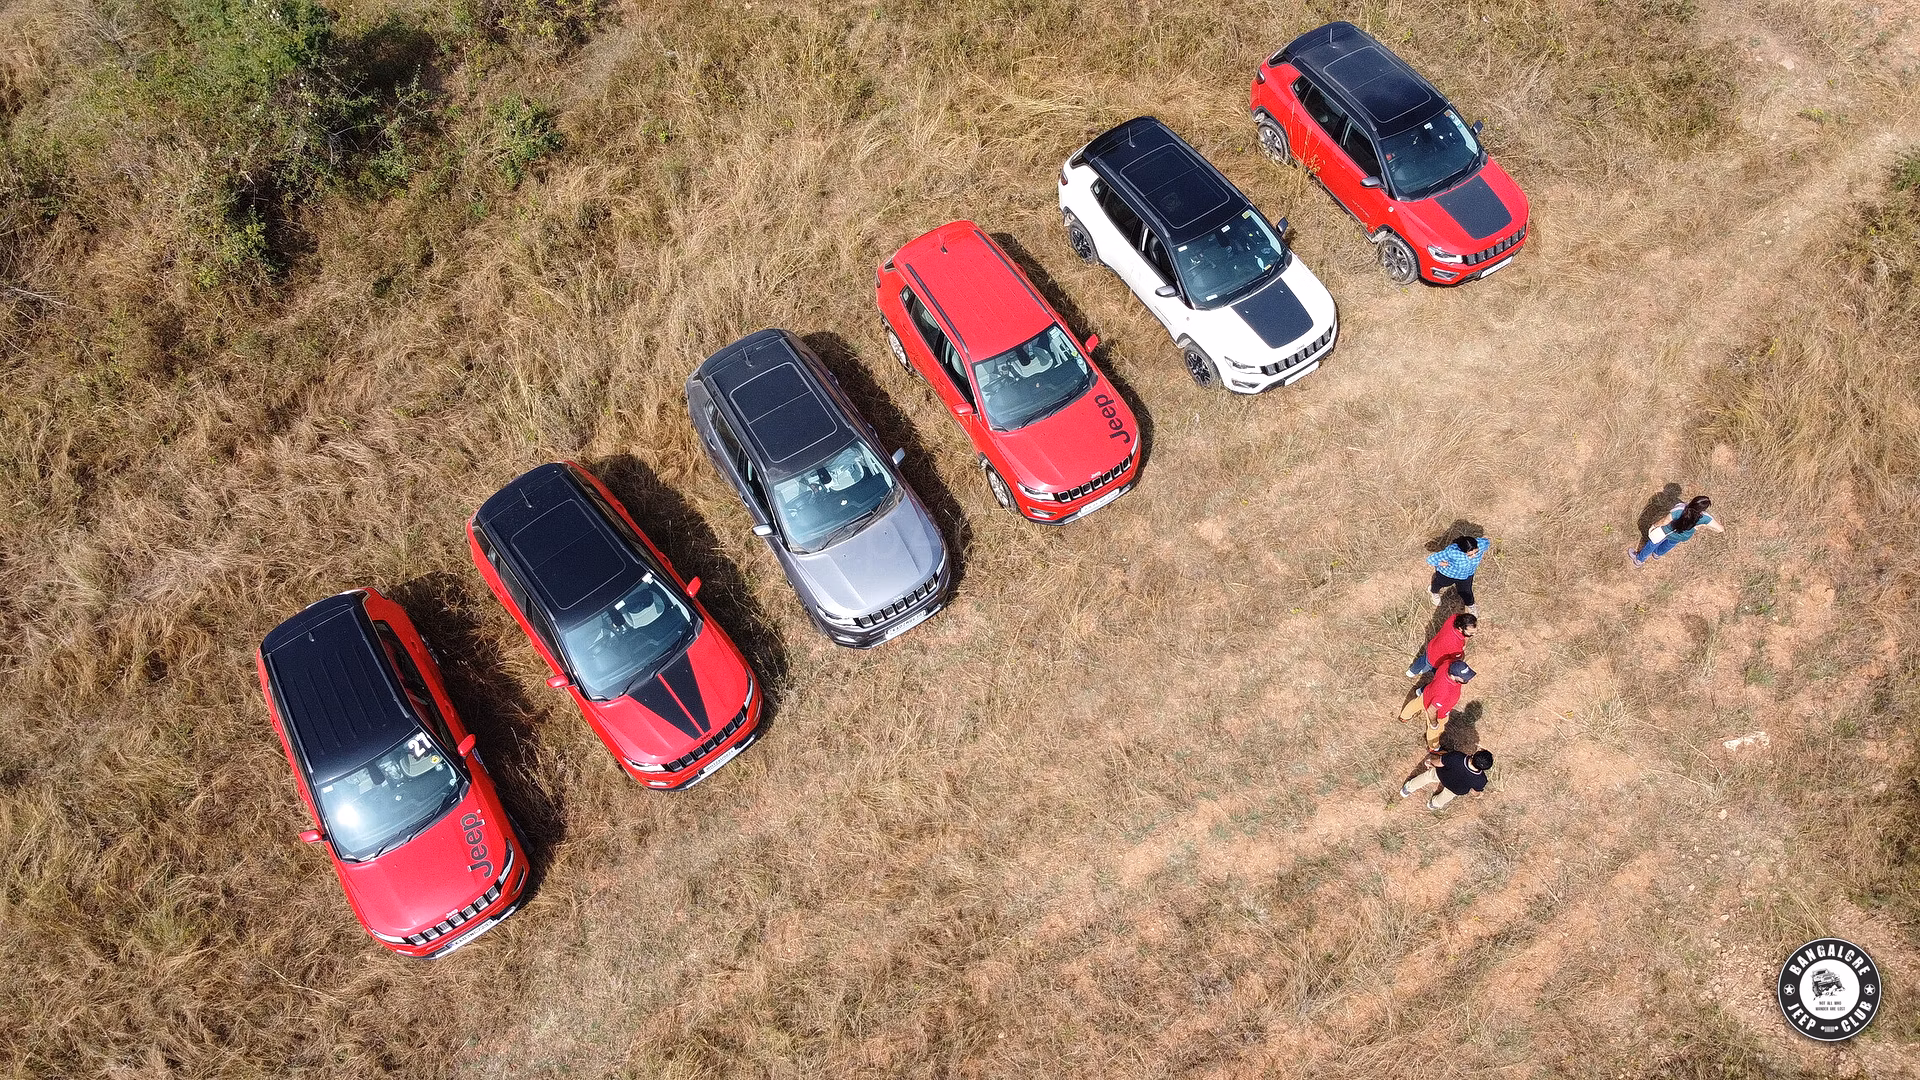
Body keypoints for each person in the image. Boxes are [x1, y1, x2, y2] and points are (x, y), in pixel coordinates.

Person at [1397, 659, 1474, 751]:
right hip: (1439, 713)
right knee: (1435, 731)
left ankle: (1404, 717)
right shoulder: (1445, 692)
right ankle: (1433, 748)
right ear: (1453, 676)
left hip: (1428, 693)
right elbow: (1431, 710)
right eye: (1464, 678)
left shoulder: (1447, 664)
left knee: (1415, 704)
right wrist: (1434, 723)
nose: (1469, 679)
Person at [1632, 494, 1724, 565]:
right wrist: (1703, 525)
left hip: (1667, 531)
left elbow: (1664, 521)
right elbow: (1720, 529)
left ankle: (1639, 559)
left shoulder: (1679, 509)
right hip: (1682, 536)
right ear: (1703, 509)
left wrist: (1654, 526)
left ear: (1693, 501)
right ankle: (1657, 554)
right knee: (1670, 543)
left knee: (1653, 543)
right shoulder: (1706, 518)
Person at [1400, 748, 1494, 811]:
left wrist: (1430, 761)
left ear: (1474, 756)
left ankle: (1407, 789)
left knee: (1427, 777)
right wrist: (1478, 795)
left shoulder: (1457, 757)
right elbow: (1475, 791)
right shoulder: (1481, 780)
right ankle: (1433, 804)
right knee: (1446, 796)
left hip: (1442, 774)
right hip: (1455, 789)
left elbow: (1439, 763)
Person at [1426, 535, 1488, 613]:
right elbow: (1430, 559)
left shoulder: (1481, 545)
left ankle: (1471, 606)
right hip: (1449, 574)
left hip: (1466, 575)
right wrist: (1442, 564)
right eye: (1469, 555)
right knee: (1439, 583)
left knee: (1466, 592)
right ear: (1462, 551)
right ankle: (1434, 592)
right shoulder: (1453, 553)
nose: (1474, 556)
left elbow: (1486, 541)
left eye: (1476, 552)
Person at [1406, 612, 1477, 679]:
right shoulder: (1455, 644)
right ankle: (1422, 671)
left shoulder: (1454, 618)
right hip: (1436, 660)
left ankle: (1412, 671)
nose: (1474, 634)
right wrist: (1463, 649)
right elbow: (1457, 659)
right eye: (1471, 633)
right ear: (1460, 628)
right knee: (1432, 668)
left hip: (1432, 646)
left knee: (1422, 660)